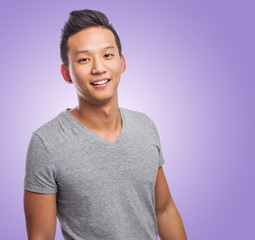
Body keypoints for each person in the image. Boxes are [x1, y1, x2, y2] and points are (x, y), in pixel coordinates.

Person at [23, 9, 187, 240]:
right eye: (84, 59)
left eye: (107, 55)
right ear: (66, 73)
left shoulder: (145, 126)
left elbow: (164, 209)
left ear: (122, 62)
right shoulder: (46, 143)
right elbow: (40, 236)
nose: (98, 68)